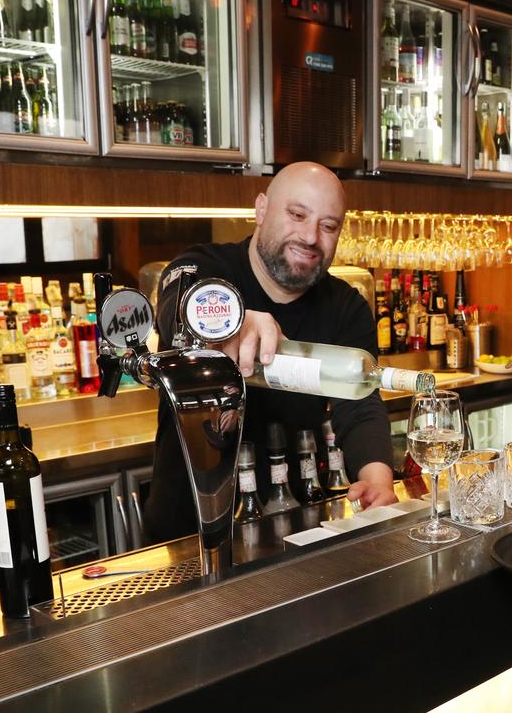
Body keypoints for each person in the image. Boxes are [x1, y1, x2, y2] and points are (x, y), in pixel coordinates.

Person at [143, 162, 398, 543]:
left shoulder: (346, 306)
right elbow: (177, 304)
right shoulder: (204, 267)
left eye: (328, 226)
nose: (311, 237)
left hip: (294, 522)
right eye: (297, 214)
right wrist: (229, 320)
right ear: (261, 209)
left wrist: (377, 478)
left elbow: (359, 403)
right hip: (189, 531)